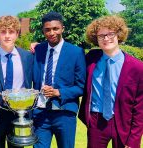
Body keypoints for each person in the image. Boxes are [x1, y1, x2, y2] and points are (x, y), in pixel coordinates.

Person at [78, 15, 143, 148]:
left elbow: (140, 108)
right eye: (101, 35)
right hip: (96, 122)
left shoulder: (137, 67)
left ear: (119, 35)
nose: (106, 38)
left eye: (110, 34)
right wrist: (41, 46)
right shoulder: (91, 59)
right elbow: (69, 59)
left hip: (124, 122)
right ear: (96, 39)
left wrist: (133, 140)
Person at [31, 12, 86, 148]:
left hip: (64, 113)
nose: (51, 33)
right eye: (47, 29)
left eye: (55, 28)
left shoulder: (76, 52)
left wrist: (58, 92)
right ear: (43, 31)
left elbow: (81, 86)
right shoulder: (39, 49)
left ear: (62, 28)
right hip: (40, 112)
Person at [0, 15, 33, 148]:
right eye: (3, 32)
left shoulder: (28, 57)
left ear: (17, 34)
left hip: (19, 114)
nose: (7, 36)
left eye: (11, 32)